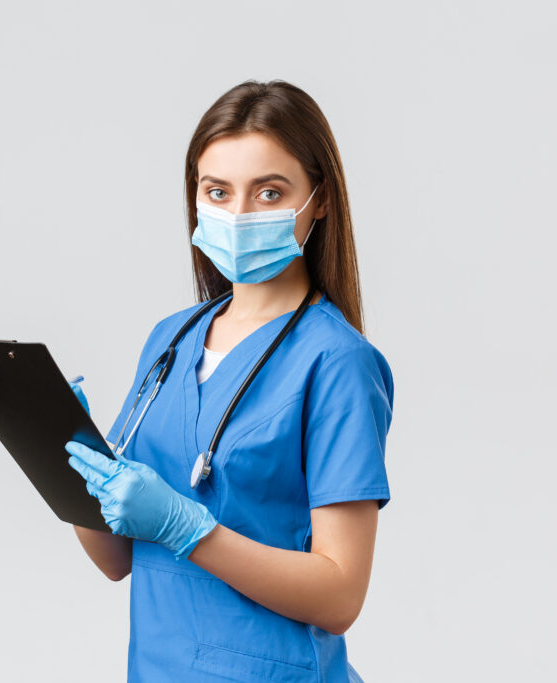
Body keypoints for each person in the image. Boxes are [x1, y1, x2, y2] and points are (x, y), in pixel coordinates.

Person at [64, 79, 394, 683]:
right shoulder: (170, 339)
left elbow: (340, 596)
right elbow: (117, 559)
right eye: (217, 191)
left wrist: (187, 527)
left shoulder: (335, 361)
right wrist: (62, 458)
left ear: (319, 200)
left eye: (269, 192)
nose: (238, 215)